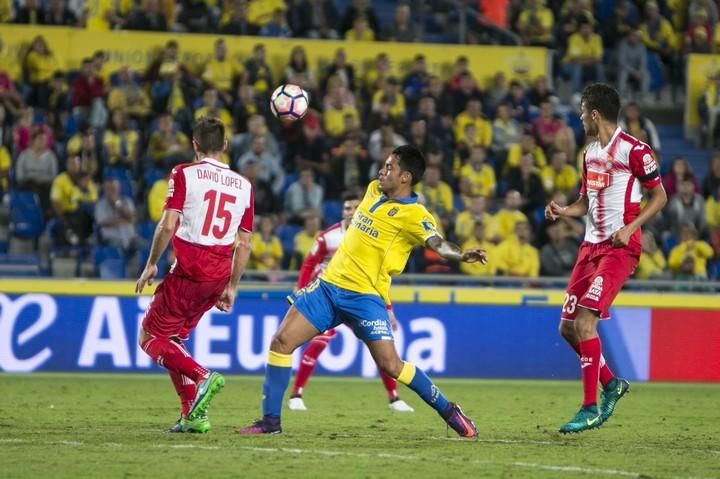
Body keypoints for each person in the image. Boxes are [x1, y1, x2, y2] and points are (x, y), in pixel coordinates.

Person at [238, 145, 487, 437]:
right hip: (329, 287)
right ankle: (270, 422)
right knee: (281, 342)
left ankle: (448, 410)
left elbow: (437, 243)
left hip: (365, 298)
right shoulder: (372, 190)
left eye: (390, 167)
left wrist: (461, 255)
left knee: (391, 365)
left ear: (406, 177)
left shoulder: (415, 214)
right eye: (384, 165)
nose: (382, 171)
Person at [545, 83, 667, 433]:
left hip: (618, 249)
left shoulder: (634, 150)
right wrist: (564, 210)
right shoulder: (588, 153)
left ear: (594, 114)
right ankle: (612, 383)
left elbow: (660, 197)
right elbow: (586, 201)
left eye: (582, 111)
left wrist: (631, 228)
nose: (580, 116)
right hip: (589, 248)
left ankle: (589, 407)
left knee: (585, 323)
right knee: (567, 328)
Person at [135, 117, 254, 434]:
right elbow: (244, 244)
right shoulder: (245, 186)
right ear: (225, 146)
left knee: (150, 338)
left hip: (189, 271)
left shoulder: (183, 173)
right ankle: (193, 416)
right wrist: (231, 286)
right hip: (217, 276)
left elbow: (167, 223)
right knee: (172, 339)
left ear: (194, 145)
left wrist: (150, 263)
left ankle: (203, 376)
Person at [287, 193, 415, 413]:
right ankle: (296, 394)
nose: (351, 212)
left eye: (356, 207)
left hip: (357, 297)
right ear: (342, 212)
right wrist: (301, 292)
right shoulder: (329, 237)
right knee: (318, 342)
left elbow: (377, 276)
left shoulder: (371, 238)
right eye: (347, 208)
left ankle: (394, 397)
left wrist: (388, 309)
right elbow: (309, 264)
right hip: (328, 297)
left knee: (379, 346)